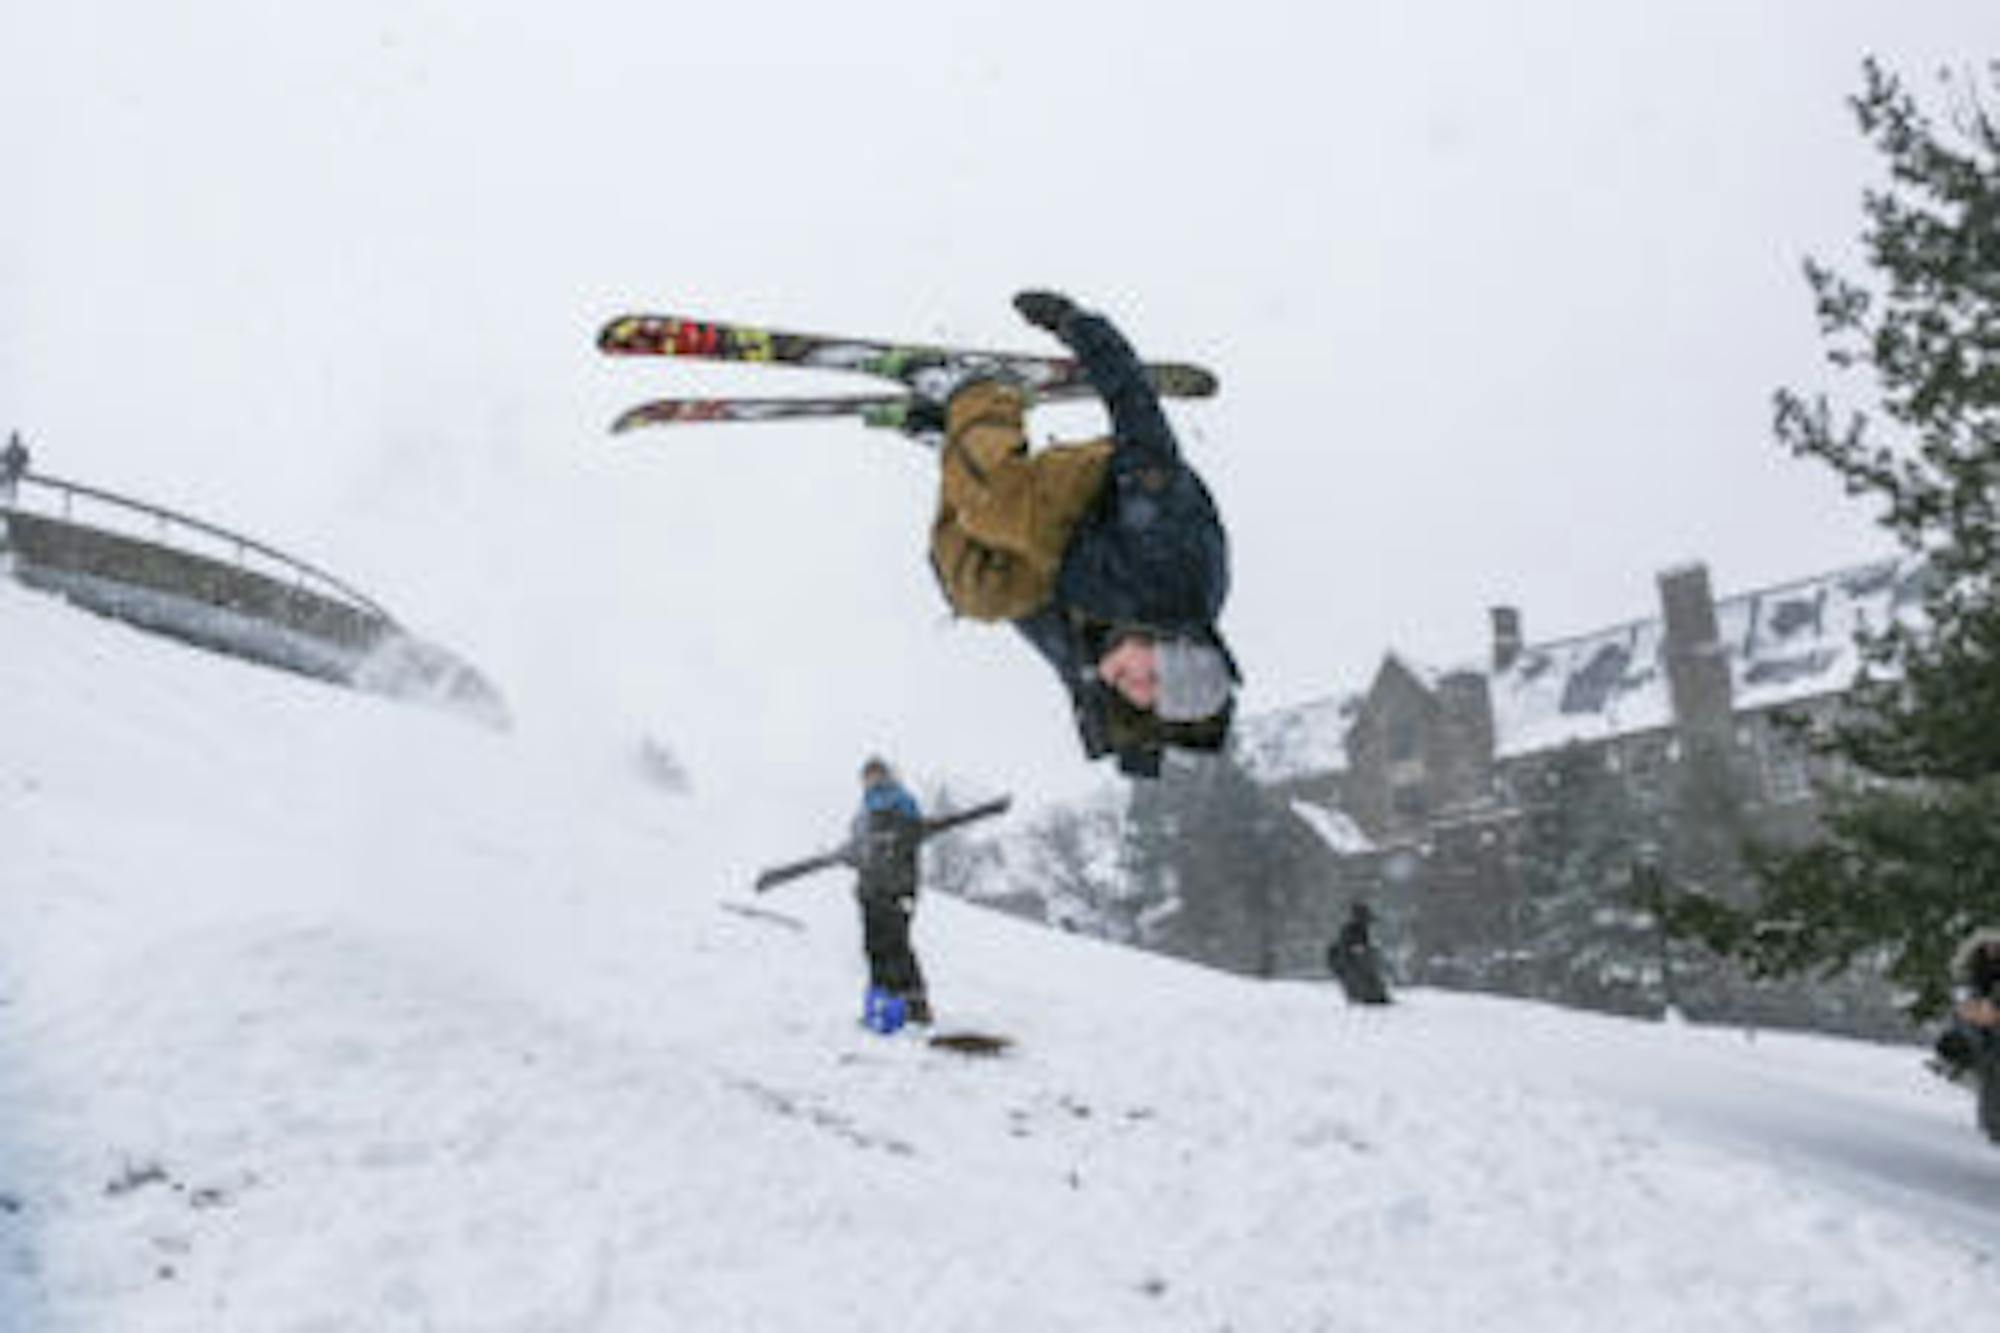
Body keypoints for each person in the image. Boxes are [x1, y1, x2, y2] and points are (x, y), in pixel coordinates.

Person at [925, 291, 1239, 779]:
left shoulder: (1096, 664)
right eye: (1150, 678)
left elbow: (1036, 623)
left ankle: (960, 442)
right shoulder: (1171, 564)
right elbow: (1139, 418)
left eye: (1133, 696)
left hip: (1072, 558)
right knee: (998, 505)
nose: (1128, 682)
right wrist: (1077, 326)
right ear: (1173, 648)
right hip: (1102, 490)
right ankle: (981, 389)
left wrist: (1128, 740)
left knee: (979, 592)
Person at [849, 756, 931, 1026]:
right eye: (867, 776)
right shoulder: (862, 811)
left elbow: (911, 837)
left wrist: (890, 839)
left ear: (885, 775)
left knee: (896, 945)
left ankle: (915, 1004)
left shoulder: (901, 801)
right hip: (870, 891)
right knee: (873, 948)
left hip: (897, 887)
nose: (871, 780)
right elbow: (857, 850)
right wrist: (852, 854)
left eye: (875, 774)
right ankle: (882, 1005)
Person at [1934, 928, 2000, 1077]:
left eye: (1996, 946)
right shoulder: (1974, 961)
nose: (1993, 949)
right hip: (1976, 1002)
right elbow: (1962, 978)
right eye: (1990, 945)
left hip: (1993, 1005)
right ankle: (1951, 1060)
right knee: (1963, 1022)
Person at [1326, 901, 1391, 1005]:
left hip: (1352, 964)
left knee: (1367, 981)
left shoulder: (1361, 931)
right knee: (1361, 982)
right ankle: (1368, 997)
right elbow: (1349, 950)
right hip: (1347, 964)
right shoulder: (1350, 930)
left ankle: (1373, 996)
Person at [0, 432, 28, 503]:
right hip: (9, 470)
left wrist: (23, 467)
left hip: (17, 470)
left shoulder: (21, 450)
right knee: (4, 478)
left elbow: (25, 460)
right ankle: (5, 493)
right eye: (13, 440)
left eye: (15, 440)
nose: (14, 442)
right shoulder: (8, 450)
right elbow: (3, 459)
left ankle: (12, 497)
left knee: (13, 483)